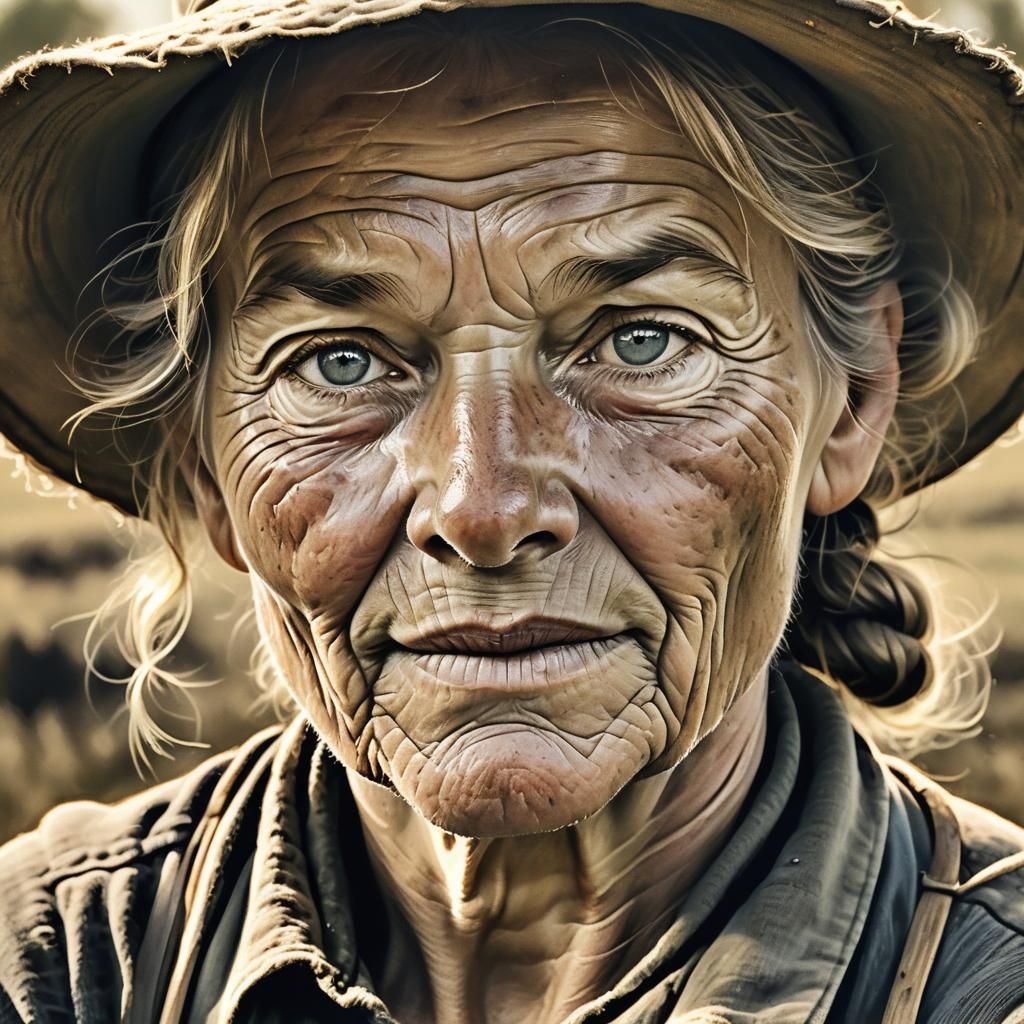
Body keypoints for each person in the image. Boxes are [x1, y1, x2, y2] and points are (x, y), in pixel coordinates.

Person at [0, 0, 1022, 1021]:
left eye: (641, 341)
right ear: (201, 461)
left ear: (850, 401)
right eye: (340, 361)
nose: (481, 508)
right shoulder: (53, 964)